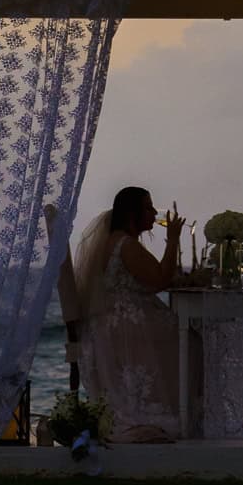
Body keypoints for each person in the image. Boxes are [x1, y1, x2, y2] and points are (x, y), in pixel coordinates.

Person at [73, 187, 185, 443]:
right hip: (127, 327)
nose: (155, 212)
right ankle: (184, 413)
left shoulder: (115, 241)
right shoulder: (125, 244)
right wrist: (173, 239)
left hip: (117, 322)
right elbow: (160, 279)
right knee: (193, 342)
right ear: (133, 213)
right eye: (148, 207)